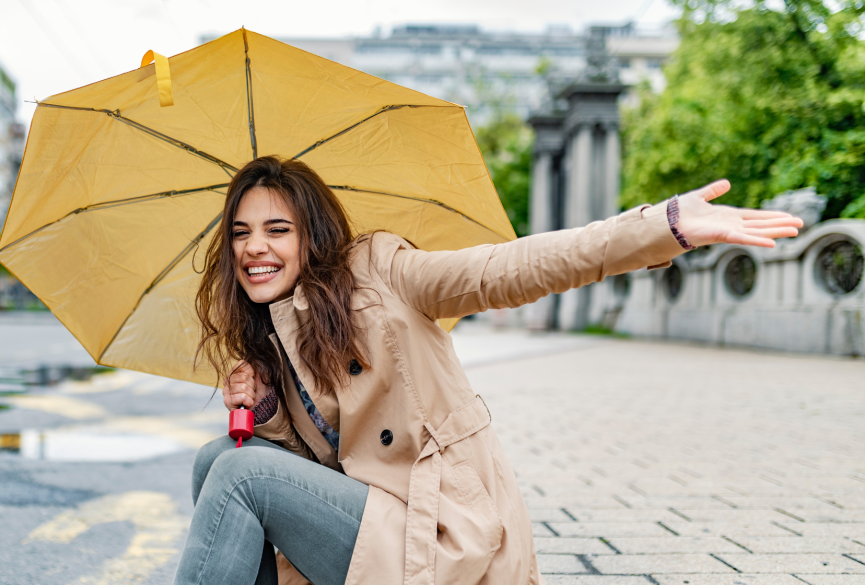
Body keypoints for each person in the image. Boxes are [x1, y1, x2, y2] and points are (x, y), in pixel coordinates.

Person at [177, 156, 803, 585]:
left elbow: (507, 268)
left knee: (240, 472)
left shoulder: (383, 270)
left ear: (311, 235)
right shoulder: (275, 333)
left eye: (276, 229)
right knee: (219, 460)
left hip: (445, 530)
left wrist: (659, 229)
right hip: (380, 519)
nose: (254, 248)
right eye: (241, 233)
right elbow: (324, 472)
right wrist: (265, 414)